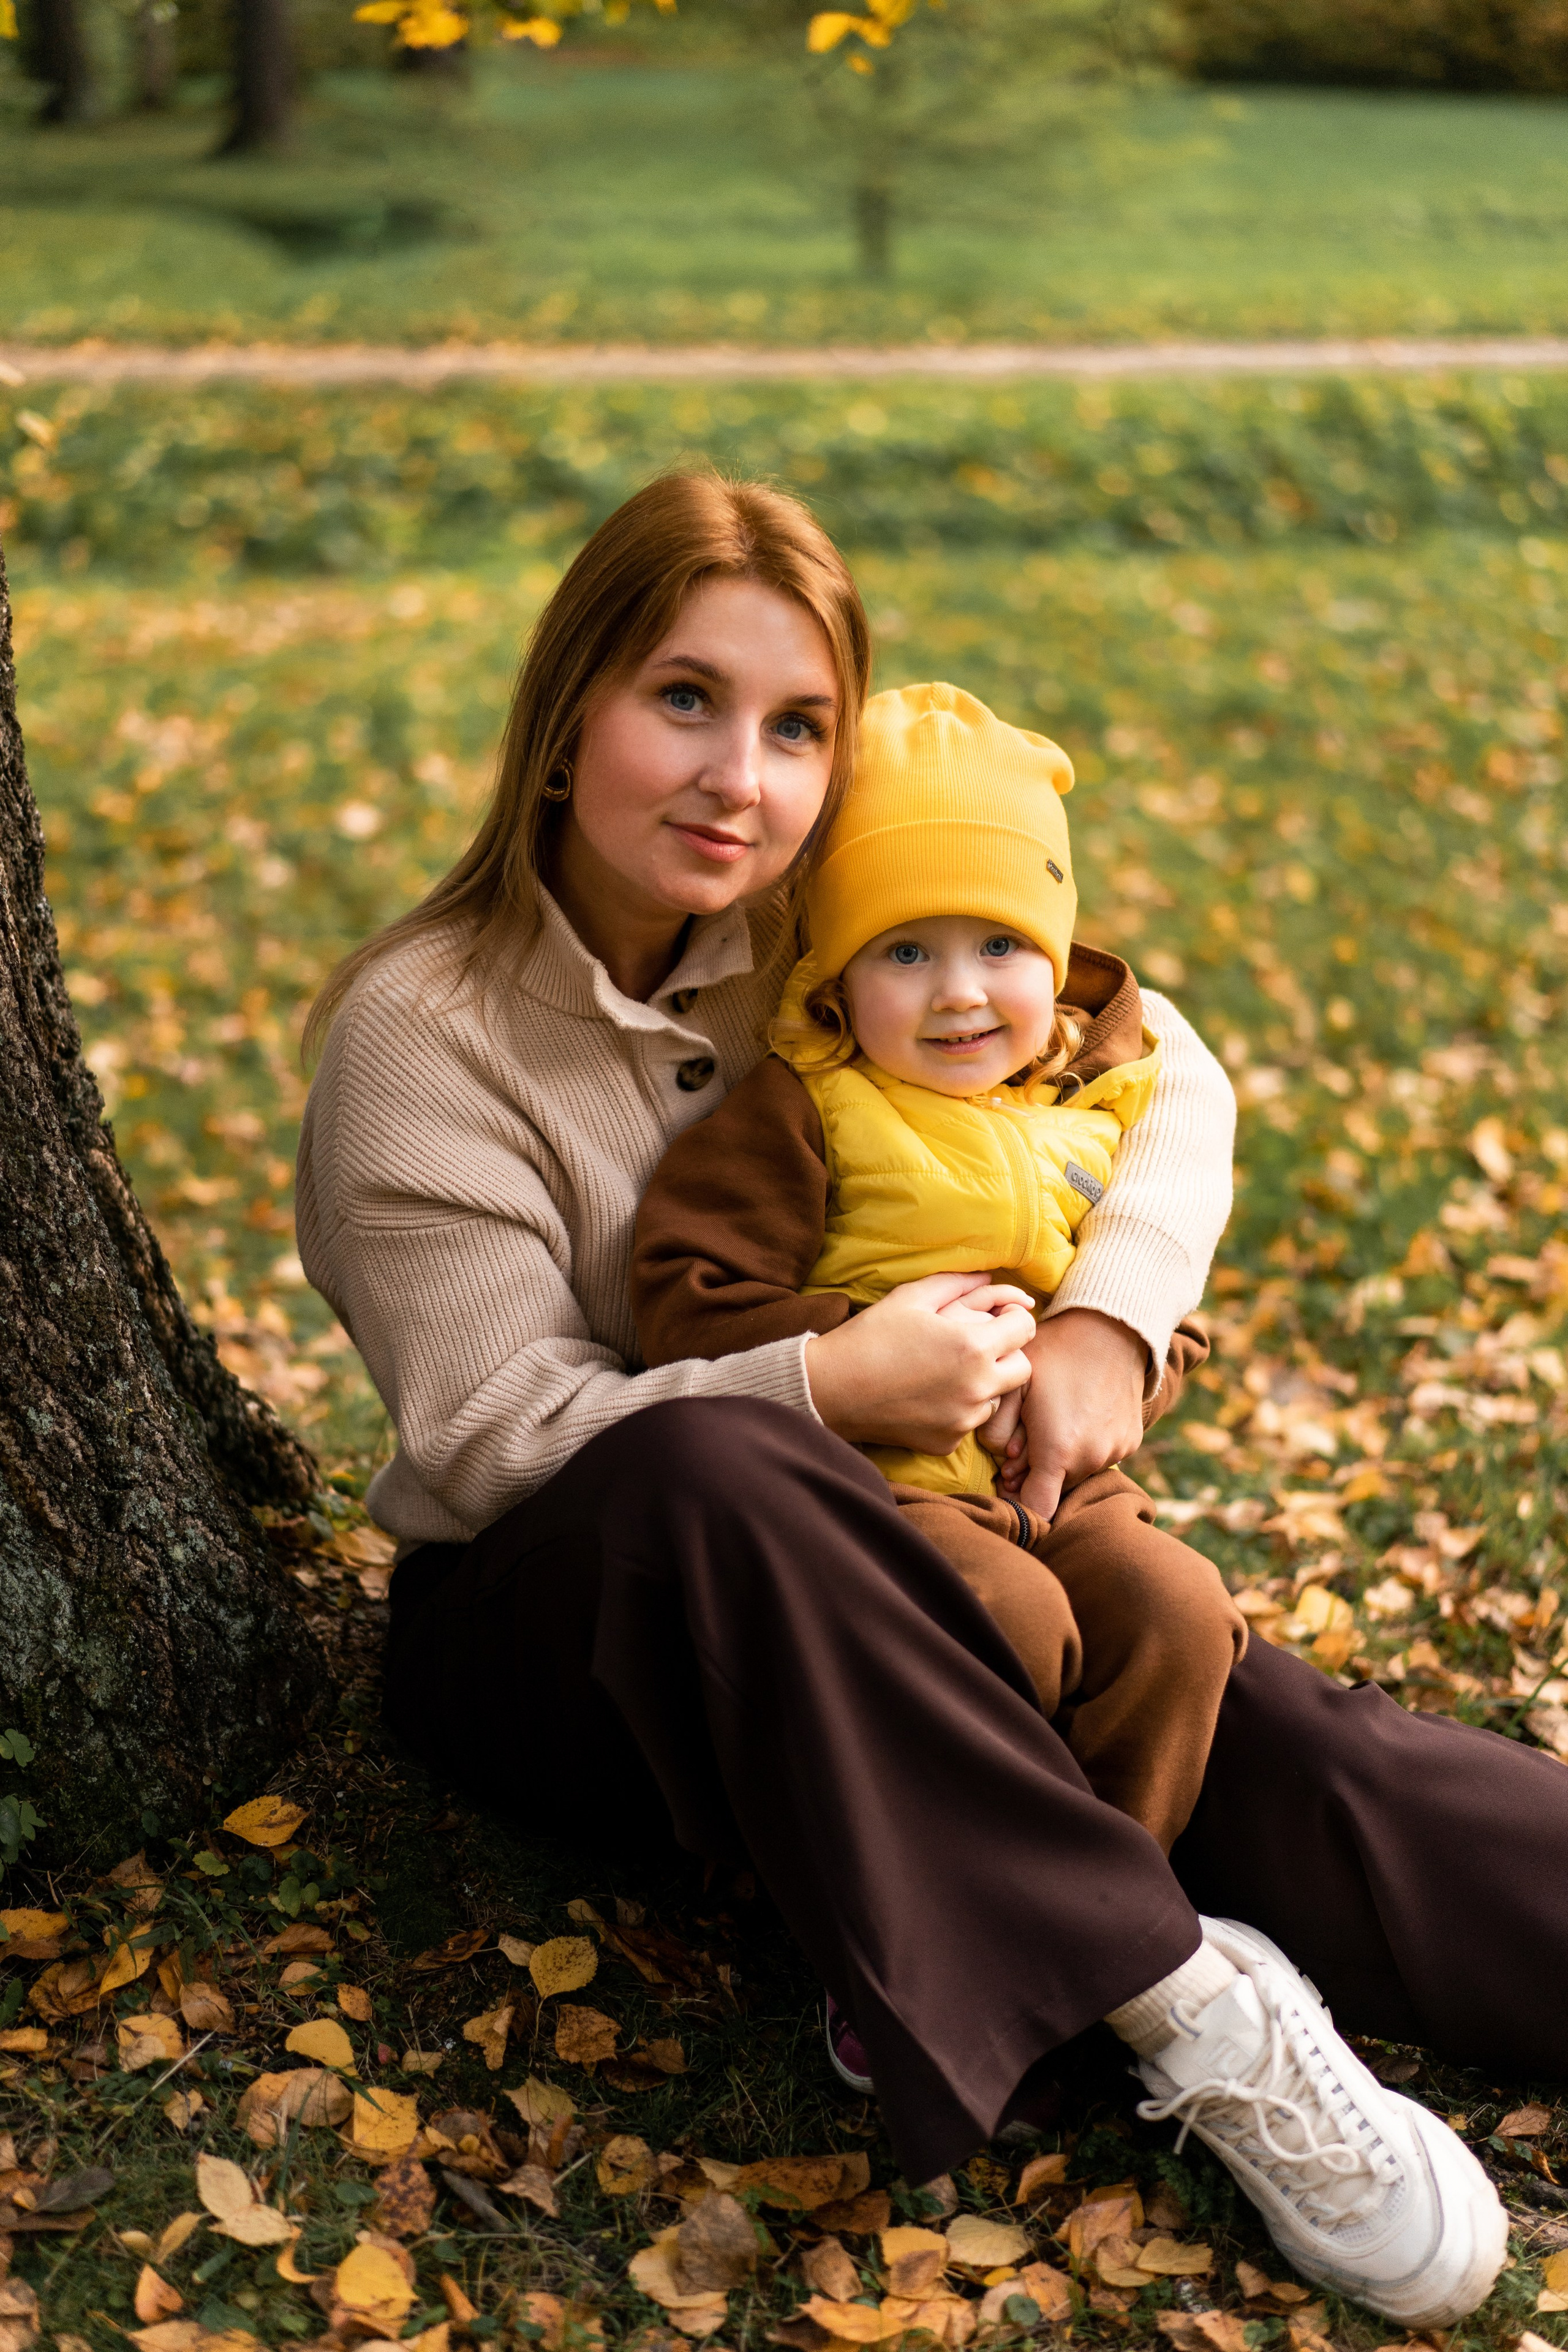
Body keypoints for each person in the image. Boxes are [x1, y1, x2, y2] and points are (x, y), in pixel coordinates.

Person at [298, 472, 1539, 2329]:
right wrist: (824, 1379)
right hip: (572, 1639)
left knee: (1264, 1724)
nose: (742, 777)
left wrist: (1111, 1322)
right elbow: (491, 1438)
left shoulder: (828, 921)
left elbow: (1161, 1057)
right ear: (567, 720)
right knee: (719, 1459)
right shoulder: (429, 1027)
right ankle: (1182, 1996)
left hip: (926, 1563)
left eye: (800, 727)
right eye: (686, 701)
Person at [630, 679, 1248, 1855]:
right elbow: (684, 1295)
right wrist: (858, 1348)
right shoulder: (806, 1108)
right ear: (837, 981)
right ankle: (919, 1907)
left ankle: (1109, 1908)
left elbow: (1153, 1326)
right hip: (881, 1483)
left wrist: (1114, 1365)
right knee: (998, 1621)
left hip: (1062, 1487)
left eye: (1002, 945)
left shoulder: (1089, 1113)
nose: (960, 991)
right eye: (905, 950)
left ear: (1057, 959)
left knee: (1177, 1611)